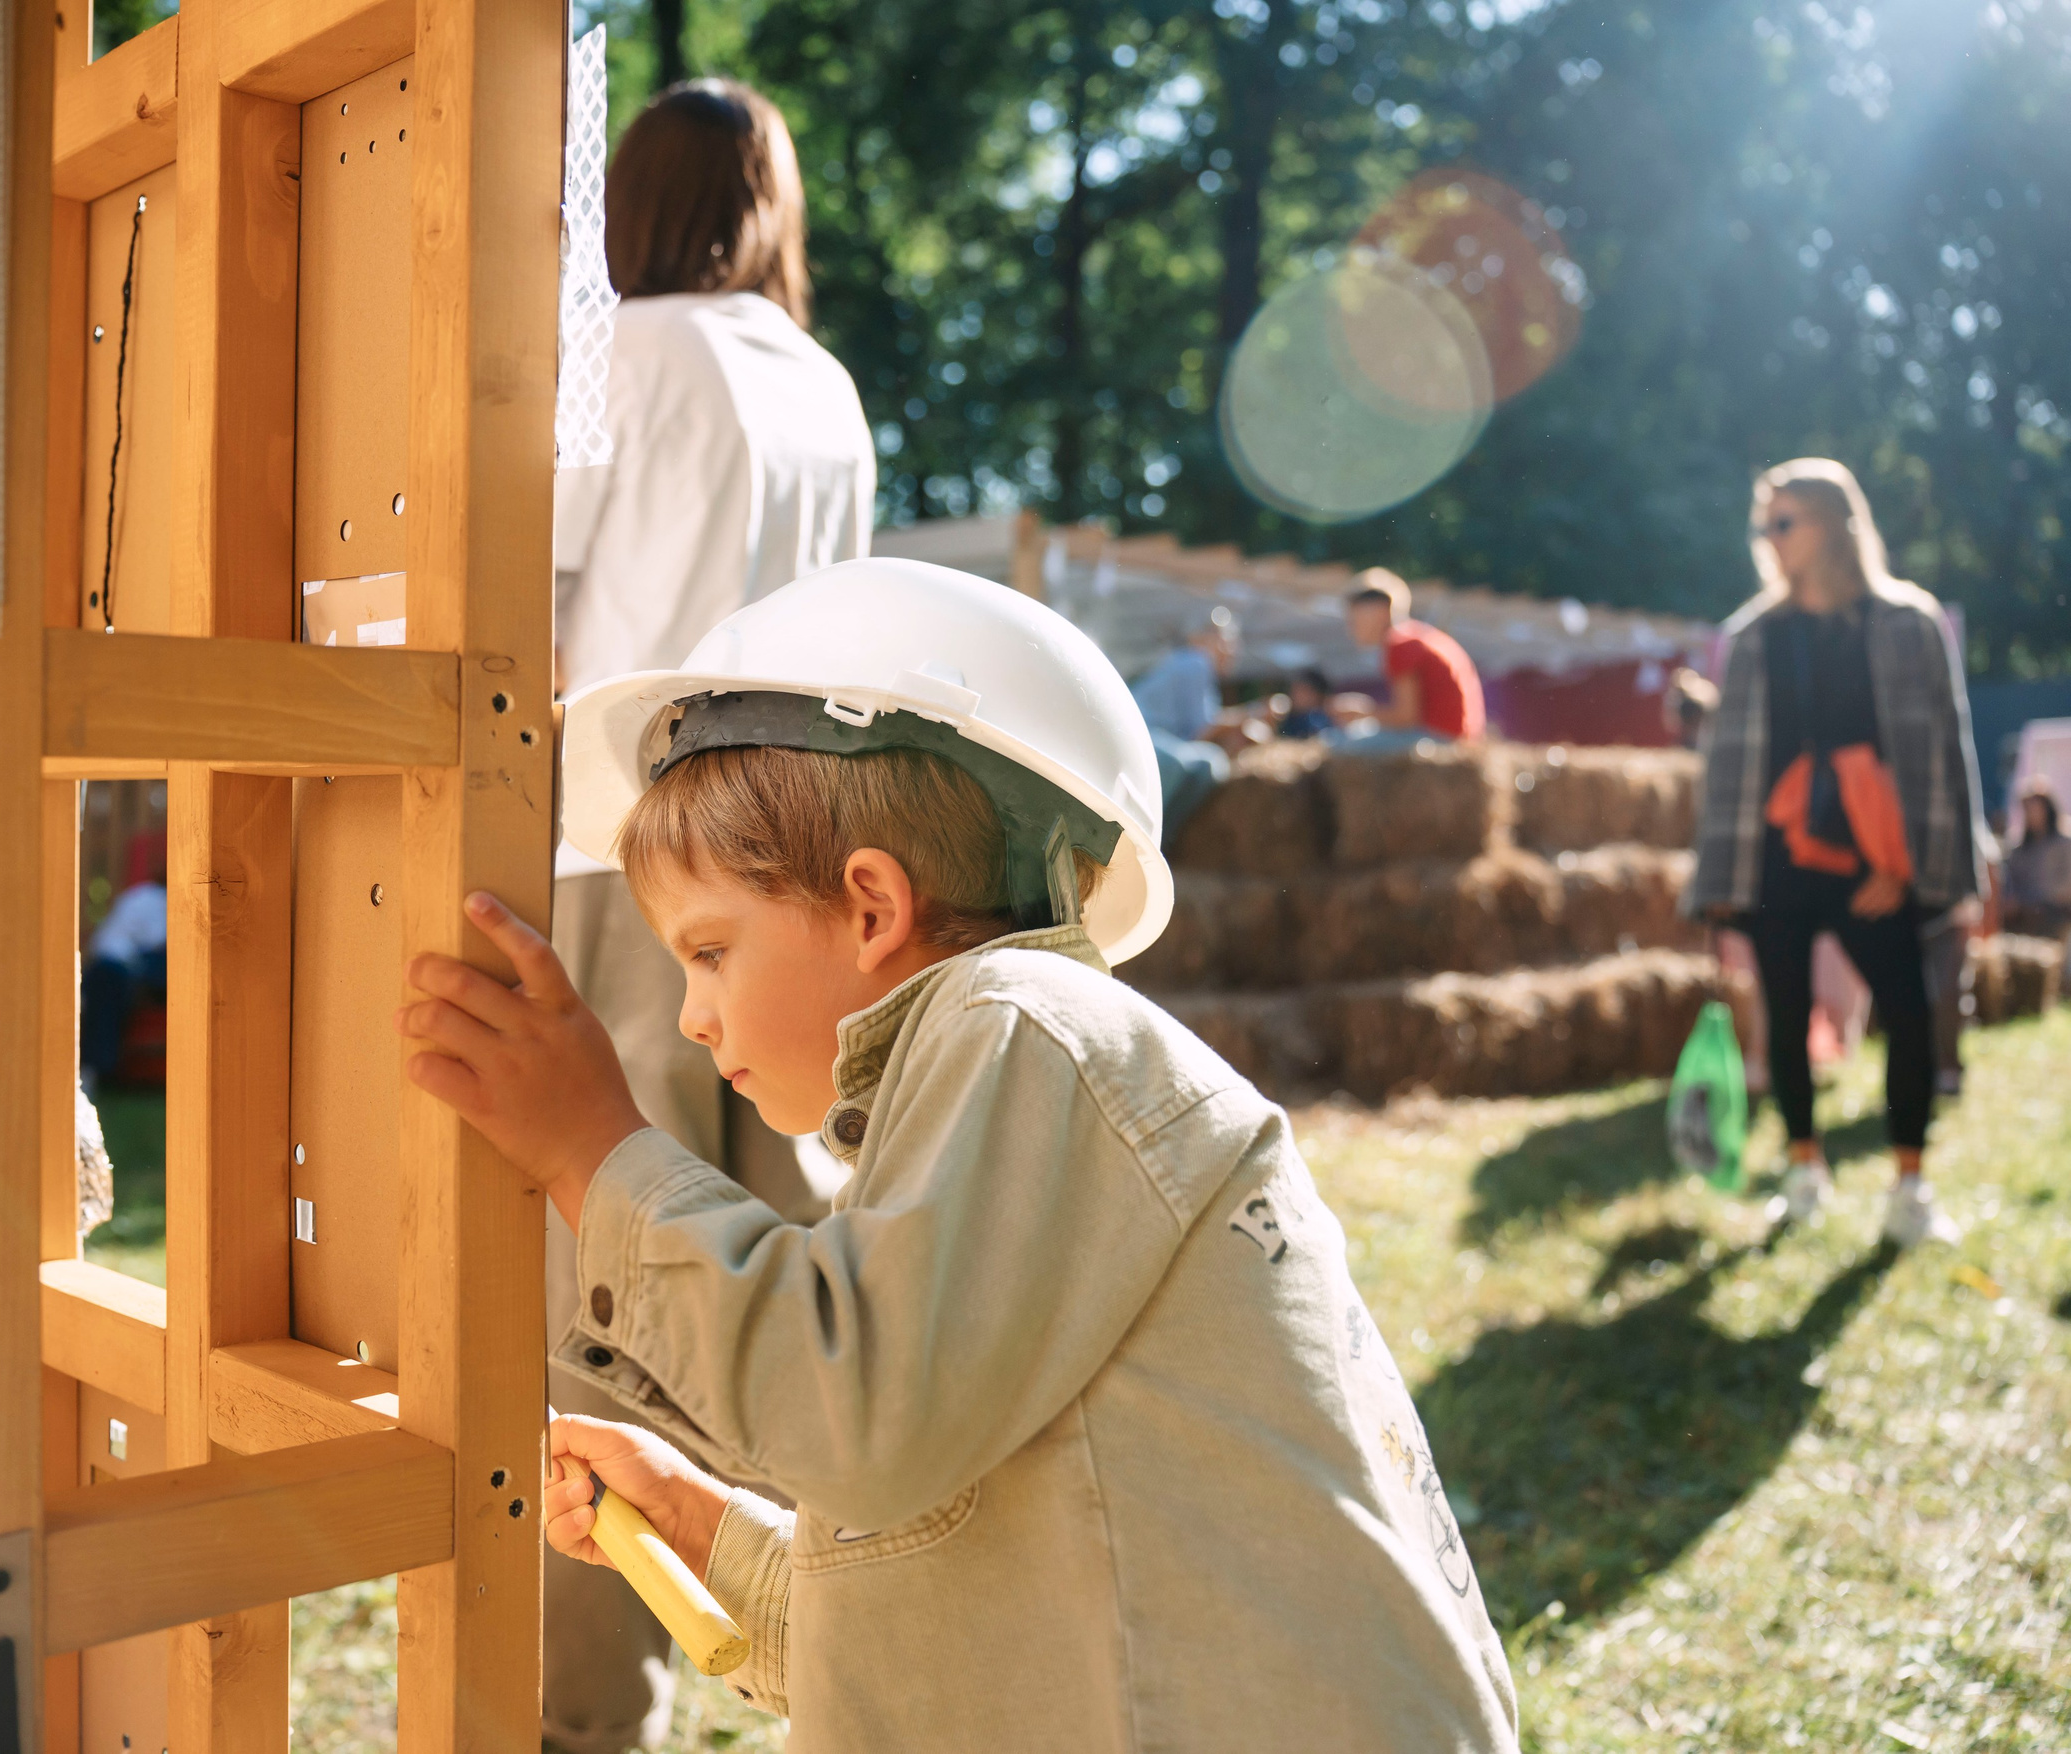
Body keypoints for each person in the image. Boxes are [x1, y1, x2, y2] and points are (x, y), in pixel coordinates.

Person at [400, 560, 1518, 1753]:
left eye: (710, 950)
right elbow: (975, 1589)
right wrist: (704, 1526)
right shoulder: (994, 1091)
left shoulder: (1026, 1022)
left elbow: (865, 1423)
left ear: (871, 904)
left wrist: (591, 1147)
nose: (690, 1013)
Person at [544, 76, 874, 1754]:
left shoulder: (627, 349)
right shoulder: (826, 387)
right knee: (767, 1282)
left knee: (600, 1280)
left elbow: (513, 575)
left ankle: (582, 1706)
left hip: (608, 842)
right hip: (785, 863)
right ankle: (822, 1625)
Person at [1686, 459, 1988, 1247]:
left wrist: (1920, 866)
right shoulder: (1753, 636)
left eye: (1785, 523)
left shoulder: (1907, 622)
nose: (1772, 541)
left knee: (1912, 1017)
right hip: (1777, 860)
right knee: (1784, 1020)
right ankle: (1803, 1169)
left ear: (1834, 524)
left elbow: (1942, 755)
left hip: (1877, 862)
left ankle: (1910, 1186)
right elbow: (1729, 768)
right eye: (1765, 526)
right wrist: (1719, 881)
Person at [1128, 605, 1237, 842]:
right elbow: (1201, 729)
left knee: (1211, 763)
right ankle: (1139, 839)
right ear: (1201, 639)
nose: (1231, 650)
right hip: (1141, 737)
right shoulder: (1195, 662)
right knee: (1176, 763)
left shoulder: (1197, 668)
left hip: (1156, 739)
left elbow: (1198, 735)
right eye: (1225, 640)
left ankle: (1161, 843)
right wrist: (1249, 716)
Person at [1344, 568, 1486, 742]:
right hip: (1458, 739)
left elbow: (1407, 718)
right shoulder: (1417, 635)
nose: (1351, 626)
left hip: (1439, 739)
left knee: (1342, 741)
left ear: (1381, 610)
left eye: (1354, 616)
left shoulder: (1400, 643)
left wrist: (1362, 712)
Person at [79, 831, 165, 1093]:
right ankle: (96, 1068)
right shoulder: (149, 899)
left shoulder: (142, 896)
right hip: (122, 965)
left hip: (127, 965)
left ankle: (95, 1069)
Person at [2000, 778, 2071, 941]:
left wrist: (2034, 901)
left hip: (2055, 916)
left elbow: (2067, 885)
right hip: (2022, 918)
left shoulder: (2065, 844)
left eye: (2036, 808)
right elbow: (2009, 879)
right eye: (2028, 809)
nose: (2032, 814)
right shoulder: (2021, 849)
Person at [1276, 664, 1339, 739]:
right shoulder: (1286, 717)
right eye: (1294, 690)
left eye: (1301, 691)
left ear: (1317, 695)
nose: (1295, 695)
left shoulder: (1319, 719)